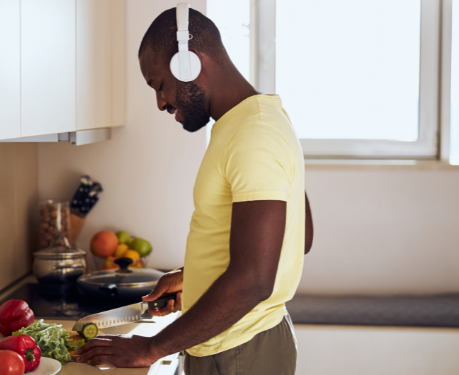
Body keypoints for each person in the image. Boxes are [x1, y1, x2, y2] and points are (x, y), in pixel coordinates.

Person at [75, 4, 313, 374]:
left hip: (239, 350)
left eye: (159, 85)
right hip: (232, 343)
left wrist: (151, 348)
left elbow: (253, 280)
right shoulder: (254, 121)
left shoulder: (255, 135)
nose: (160, 102)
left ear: (189, 64)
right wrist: (196, 275)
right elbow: (299, 237)